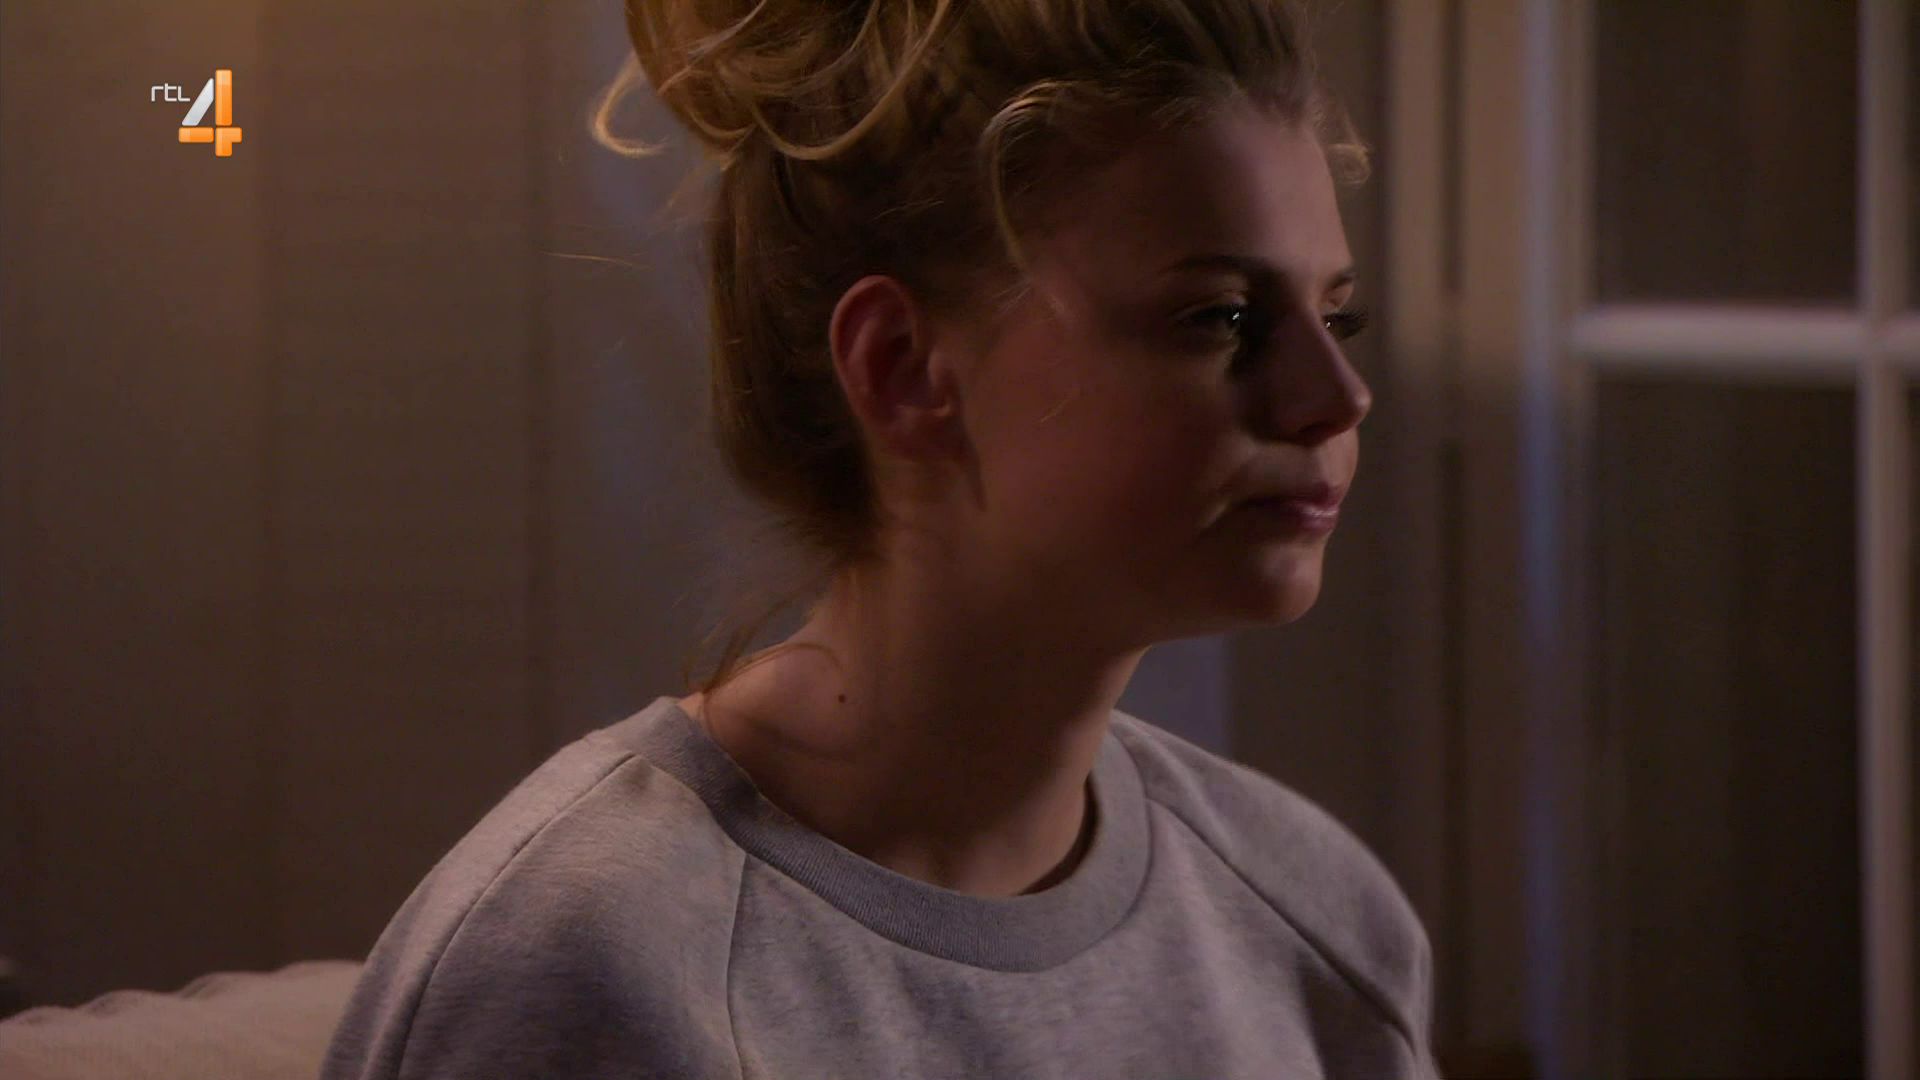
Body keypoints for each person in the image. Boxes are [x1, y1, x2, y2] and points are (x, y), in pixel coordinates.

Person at [321, 1, 1440, 1076]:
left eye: (1335, 316)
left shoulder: (1313, 920)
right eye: (1221, 318)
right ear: (904, 369)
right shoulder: (592, 968)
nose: (1336, 396)